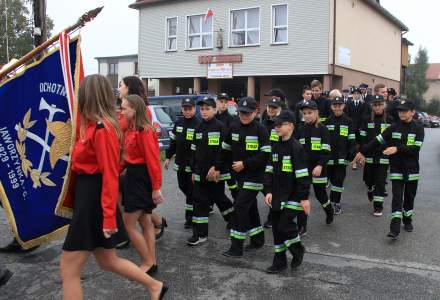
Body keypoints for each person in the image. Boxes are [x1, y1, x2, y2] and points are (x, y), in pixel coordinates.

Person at [60, 75, 167, 300]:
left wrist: (109, 217)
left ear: (88, 96)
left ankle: (154, 282)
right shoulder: (92, 126)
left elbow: (109, 175)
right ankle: (155, 286)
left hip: (94, 200)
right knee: (108, 261)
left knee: (69, 269)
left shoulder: (102, 129)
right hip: (88, 196)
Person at [355, 100, 424, 239]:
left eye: (405, 111)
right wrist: (362, 151)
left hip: (412, 169)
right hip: (396, 167)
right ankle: (395, 228)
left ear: (413, 112)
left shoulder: (418, 128)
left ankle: (407, 219)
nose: (401, 113)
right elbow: (377, 140)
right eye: (400, 111)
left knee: (409, 197)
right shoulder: (393, 127)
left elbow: (415, 149)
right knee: (397, 197)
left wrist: (397, 148)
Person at [118, 76, 167, 244]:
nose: (119, 88)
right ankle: (148, 256)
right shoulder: (127, 112)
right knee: (138, 210)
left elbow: (152, 158)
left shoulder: (141, 124)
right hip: (128, 166)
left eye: (121, 85)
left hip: (138, 171)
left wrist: (156, 187)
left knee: (136, 210)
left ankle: (129, 236)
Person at [221, 97, 271, 258]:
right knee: (250, 207)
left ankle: (236, 247)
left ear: (255, 112)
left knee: (240, 207)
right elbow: (225, 150)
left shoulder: (260, 129)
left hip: (256, 176)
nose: (244, 116)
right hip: (239, 176)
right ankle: (257, 239)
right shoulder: (234, 126)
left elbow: (265, 154)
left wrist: (245, 163)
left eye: (247, 113)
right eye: (241, 113)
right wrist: (217, 167)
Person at [120, 94, 163, 276]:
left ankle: (148, 261)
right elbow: (126, 159)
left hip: (141, 178)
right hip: (133, 176)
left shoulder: (144, 130)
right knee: (145, 222)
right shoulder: (130, 130)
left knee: (128, 224)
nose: (121, 111)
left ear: (135, 109)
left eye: (124, 108)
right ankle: (151, 262)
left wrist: (156, 187)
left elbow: (153, 160)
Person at [264, 110, 311, 273]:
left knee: (284, 225)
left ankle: (298, 249)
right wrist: (268, 191)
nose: (276, 127)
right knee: (277, 229)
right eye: (275, 125)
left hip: (294, 196)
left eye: (279, 124)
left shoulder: (296, 148)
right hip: (277, 195)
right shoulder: (275, 145)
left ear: (290, 126)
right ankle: (279, 261)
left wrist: (304, 198)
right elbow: (269, 169)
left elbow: (303, 175)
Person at [187, 97, 235, 246]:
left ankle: (234, 220)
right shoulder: (198, 128)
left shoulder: (221, 127)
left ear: (214, 110)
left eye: (207, 109)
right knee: (199, 202)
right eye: (202, 109)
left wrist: (217, 168)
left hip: (215, 173)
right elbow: (193, 152)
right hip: (200, 173)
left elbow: (225, 151)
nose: (204, 112)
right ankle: (200, 234)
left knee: (219, 198)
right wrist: (194, 171)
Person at [295, 100, 333, 235]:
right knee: (302, 196)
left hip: (318, 169)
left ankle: (329, 210)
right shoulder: (299, 129)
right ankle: (302, 226)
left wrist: (320, 165)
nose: (307, 115)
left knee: (320, 194)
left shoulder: (323, 129)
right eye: (304, 113)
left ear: (316, 113)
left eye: (310, 113)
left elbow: (327, 151)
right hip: (303, 170)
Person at [165, 98, 201, 229]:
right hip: (180, 163)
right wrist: (168, 157)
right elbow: (173, 142)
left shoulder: (199, 124)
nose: (187, 111)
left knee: (191, 192)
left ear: (194, 108)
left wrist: (197, 167)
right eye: (185, 109)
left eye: (189, 109)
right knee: (182, 186)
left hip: (193, 165)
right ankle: (199, 203)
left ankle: (190, 218)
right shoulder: (178, 123)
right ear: (182, 109)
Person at [357, 95, 394, 216]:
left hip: (383, 157)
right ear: (372, 106)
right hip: (369, 155)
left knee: (380, 182)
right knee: (369, 181)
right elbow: (362, 138)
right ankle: (370, 190)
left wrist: (391, 150)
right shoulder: (366, 119)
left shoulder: (390, 119)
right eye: (375, 105)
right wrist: (362, 152)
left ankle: (378, 207)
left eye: (380, 104)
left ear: (384, 105)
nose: (377, 107)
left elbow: (394, 138)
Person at [325, 97, 356, 215]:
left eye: (339, 105)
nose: (337, 108)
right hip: (329, 158)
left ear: (343, 106)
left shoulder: (348, 121)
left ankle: (335, 203)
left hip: (342, 157)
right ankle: (329, 201)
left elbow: (351, 139)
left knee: (338, 181)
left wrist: (350, 154)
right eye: (335, 105)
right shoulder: (327, 121)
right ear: (332, 107)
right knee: (332, 180)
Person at [261, 97, 284, 228]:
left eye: (274, 107)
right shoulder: (263, 123)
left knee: (274, 189)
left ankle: (273, 217)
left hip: (277, 161)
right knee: (266, 189)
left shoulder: (281, 124)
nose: (271, 109)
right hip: (263, 161)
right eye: (269, 107)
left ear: (279, 109)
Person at [216, 93, 239, 200]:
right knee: (216, 184)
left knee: (232, 183)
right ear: (217, 102)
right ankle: (211, 204)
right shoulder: (214, 118)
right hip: (216, 156)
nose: (223, 104)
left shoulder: (231, 119)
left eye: (226, 102)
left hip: (229, 157)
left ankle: (238, 203)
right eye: (221, 102)